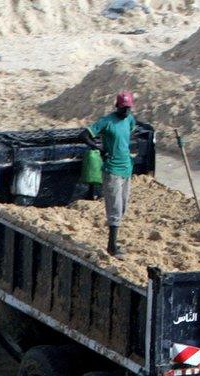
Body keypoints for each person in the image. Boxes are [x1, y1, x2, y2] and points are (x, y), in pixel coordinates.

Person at [80, 91, 137, 258]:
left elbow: (128, 134)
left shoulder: (130, 120)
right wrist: (99, 148)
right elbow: (84, 135)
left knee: (123, 205)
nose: (126, 111)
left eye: (128, 108)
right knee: (115, 207)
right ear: (117, 106)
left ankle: (114, 242)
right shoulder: (107, 122)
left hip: (126, 169)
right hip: (112, 170)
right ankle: (112, 245)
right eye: (123, 108)